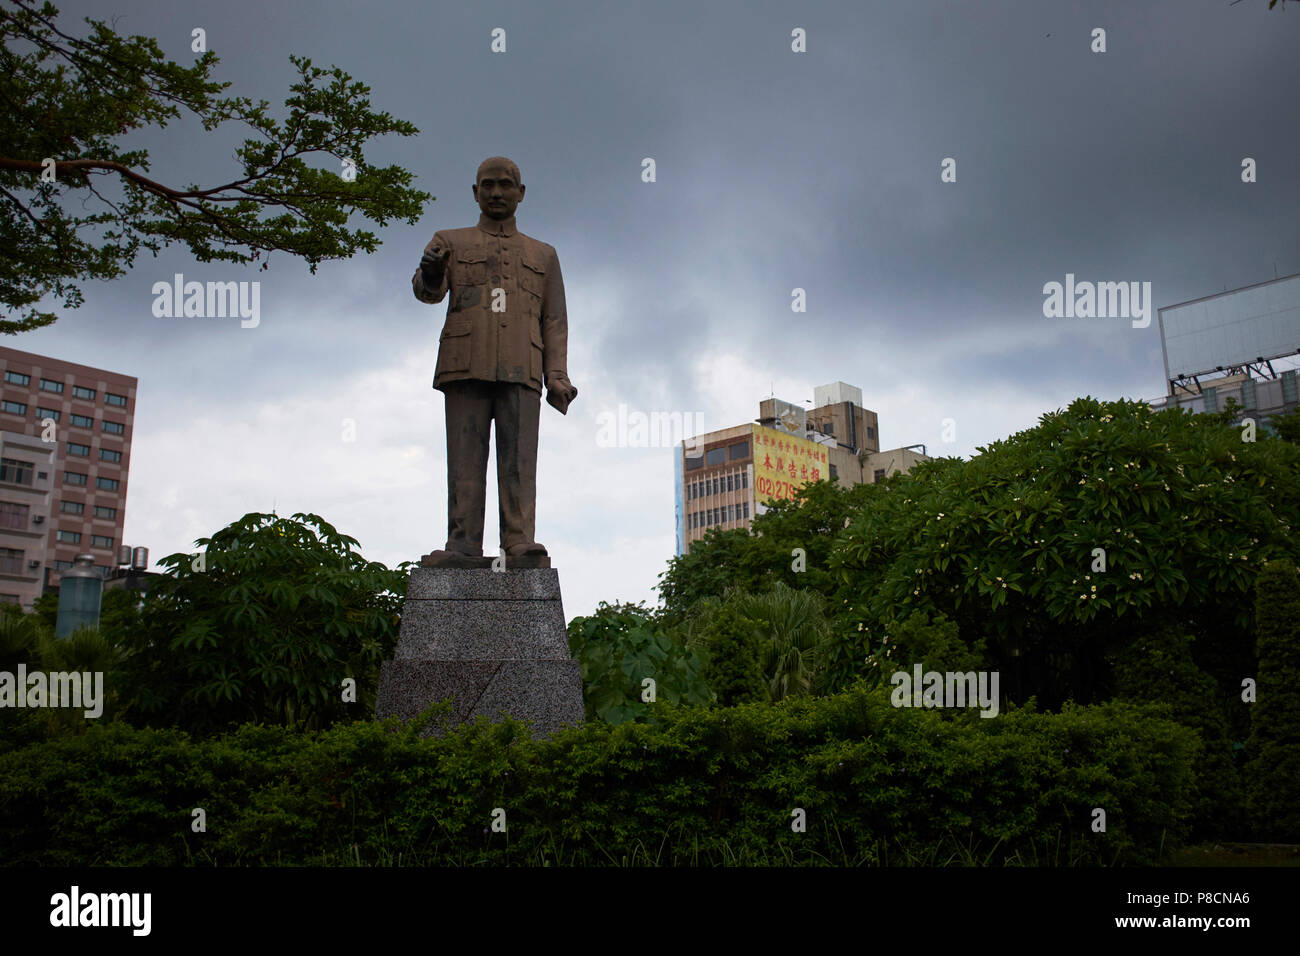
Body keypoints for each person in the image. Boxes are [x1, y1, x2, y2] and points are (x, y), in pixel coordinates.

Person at [412, 157, 578, 568]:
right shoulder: (450, 241)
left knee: (520, 461)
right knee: (465, 461)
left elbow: (554, 319)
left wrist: (556, 375)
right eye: (488, 185)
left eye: (506, 185)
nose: (497, 192)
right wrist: (431, 272)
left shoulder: (544, 254)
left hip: (523, 367)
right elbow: (427, 293)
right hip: (464, 364)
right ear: (475, 192)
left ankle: (519, 542)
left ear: (521, 194)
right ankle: (463, 543)